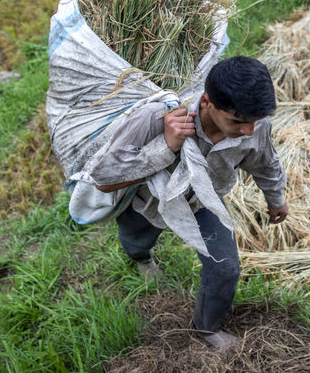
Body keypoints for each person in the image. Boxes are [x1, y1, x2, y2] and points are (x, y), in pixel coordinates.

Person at [91, 56, 288, 351]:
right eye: (237, 121)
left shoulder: (255, 125)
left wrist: (276, 198)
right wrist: (166, 147)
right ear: (207, 102)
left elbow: (266, 162)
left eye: (253, 122)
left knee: (226, 268)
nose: (248, 131)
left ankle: (208, 327)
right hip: (148, 202)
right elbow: (104, 178)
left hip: (204, 201)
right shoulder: (156, 118)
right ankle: (143, 260)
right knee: (136, 240)